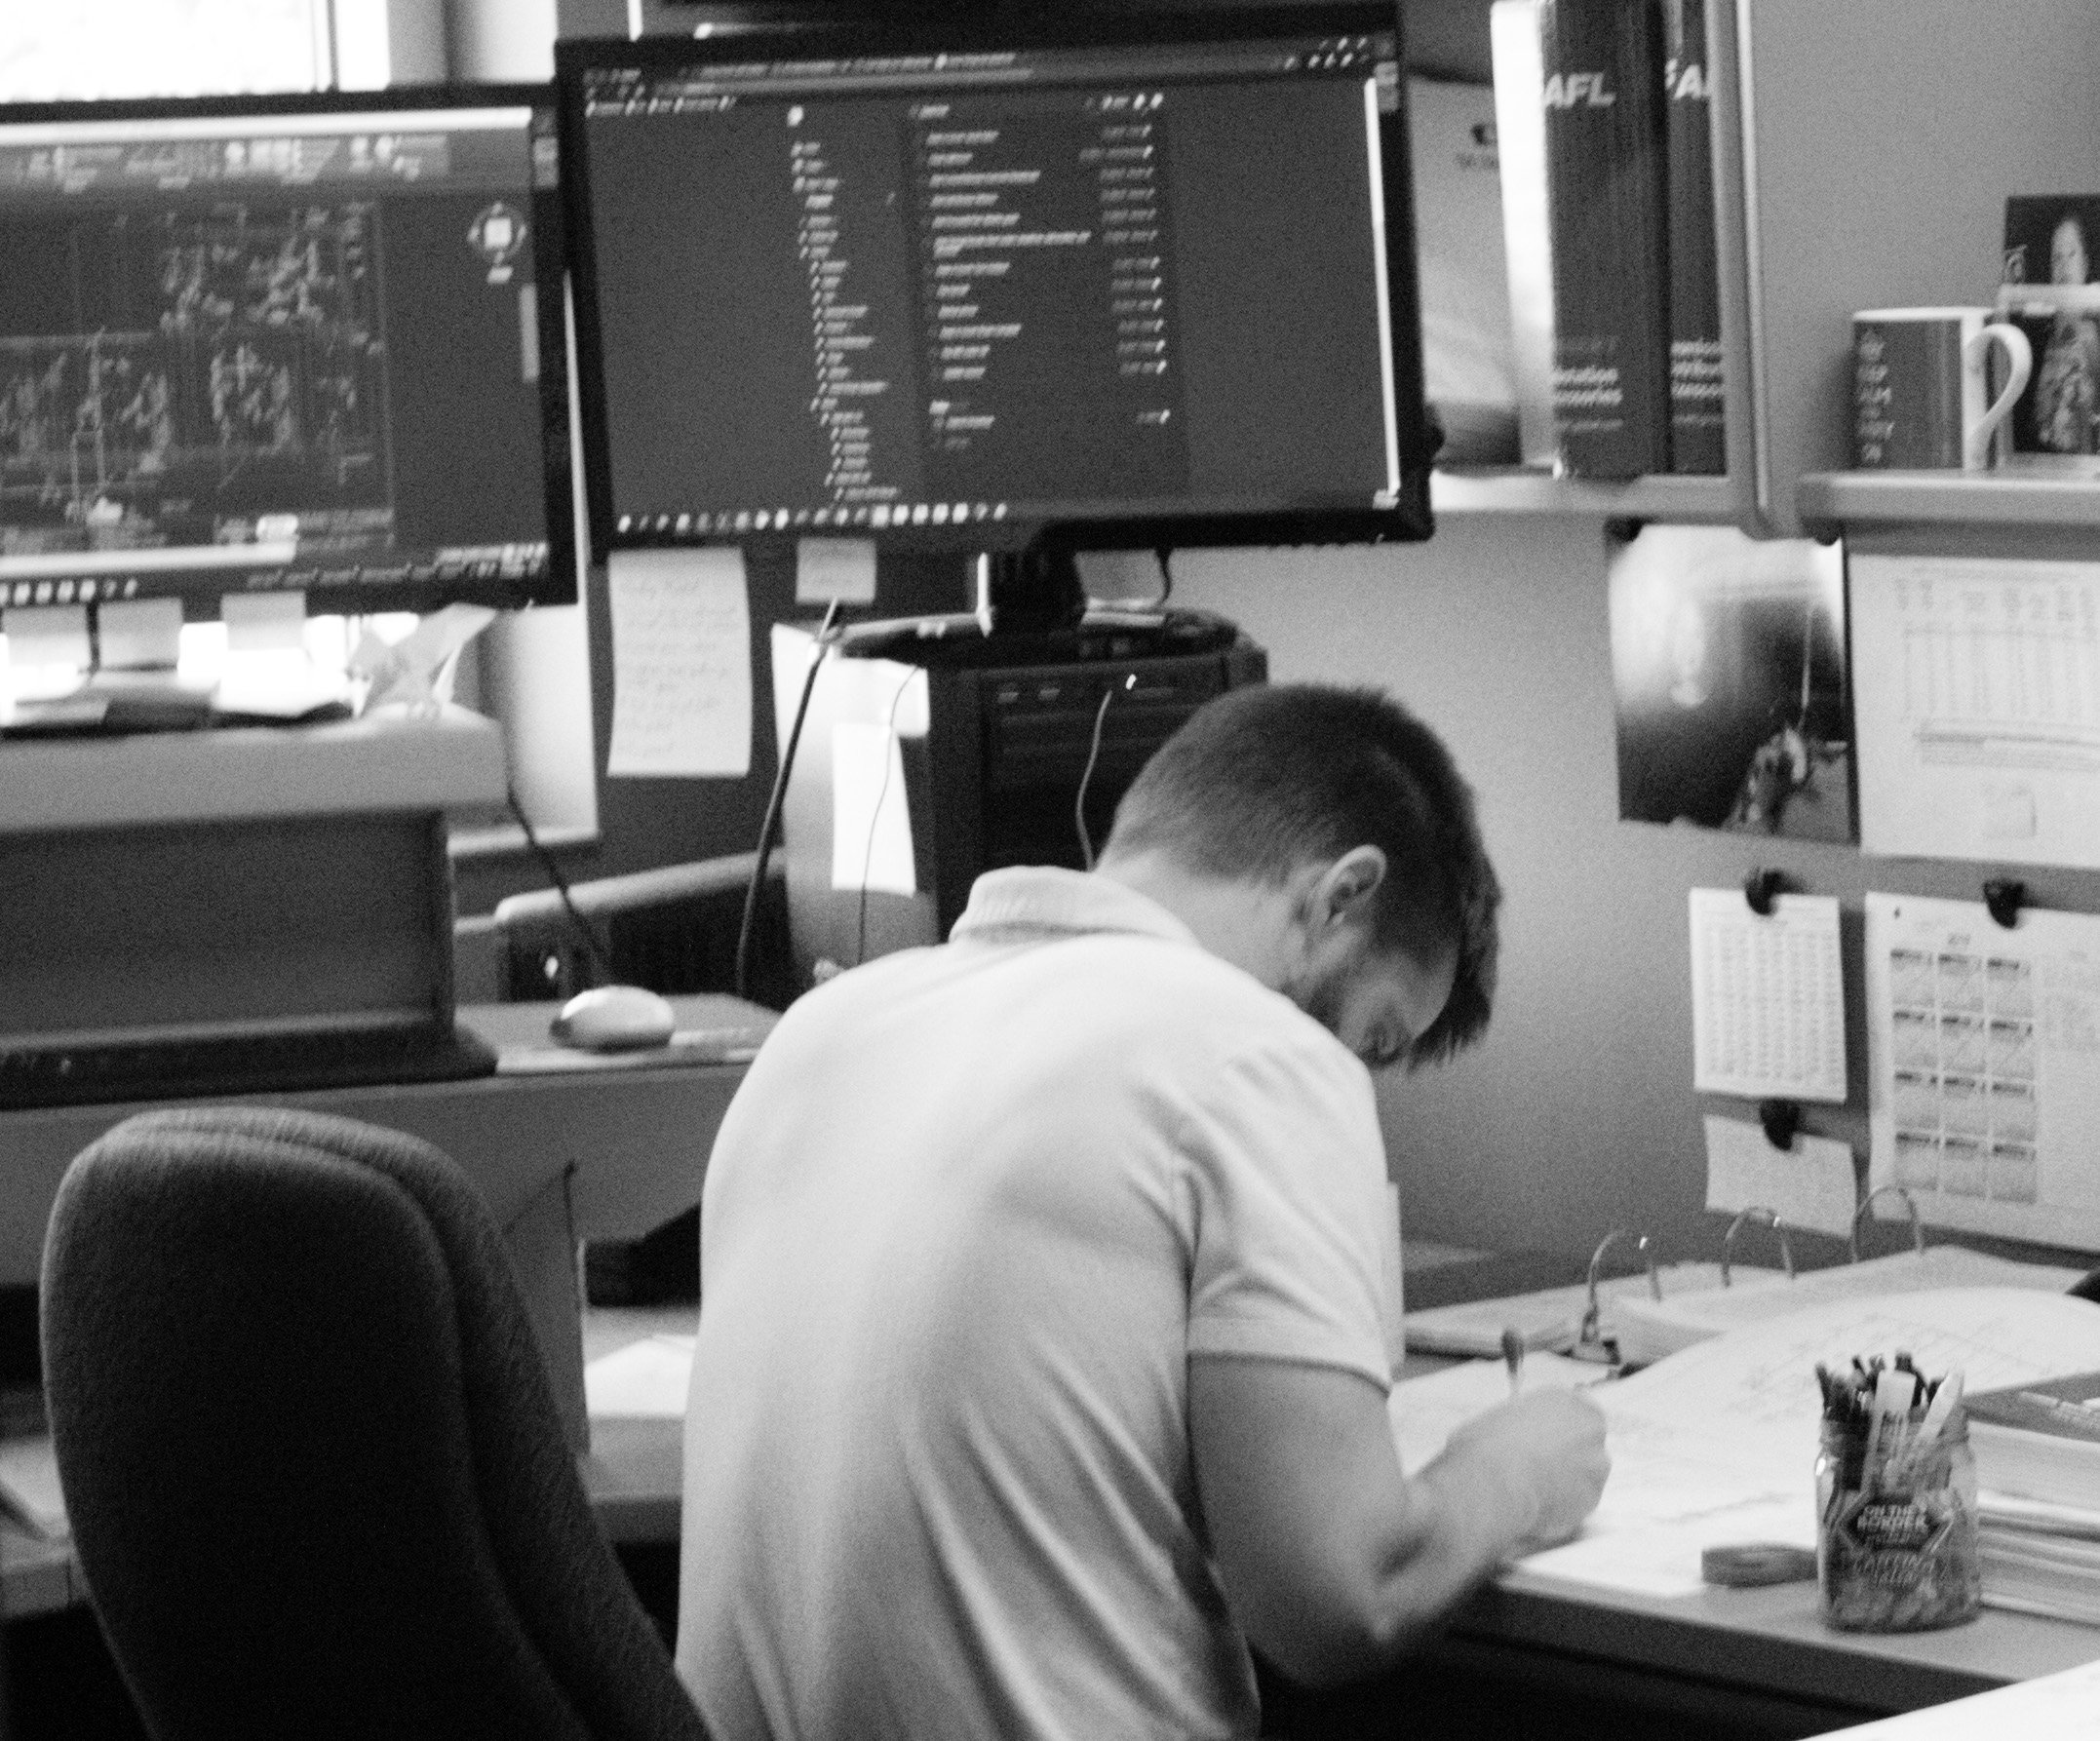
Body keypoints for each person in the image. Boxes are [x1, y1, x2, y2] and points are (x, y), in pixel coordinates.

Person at [674, 682, 1610, 1741]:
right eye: (1376, 1037)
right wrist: (1514, 1471)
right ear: (1342, 895)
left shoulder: (818, 1032)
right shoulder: (1255, 1054)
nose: (1355, 1069)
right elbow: (1343, 1597)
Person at [2033, 212, 2100, 454]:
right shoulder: (2041, 336)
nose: (2063, 265)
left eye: (2071, 254)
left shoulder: (2093, 332)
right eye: (2056, 258)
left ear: (2085, 264)